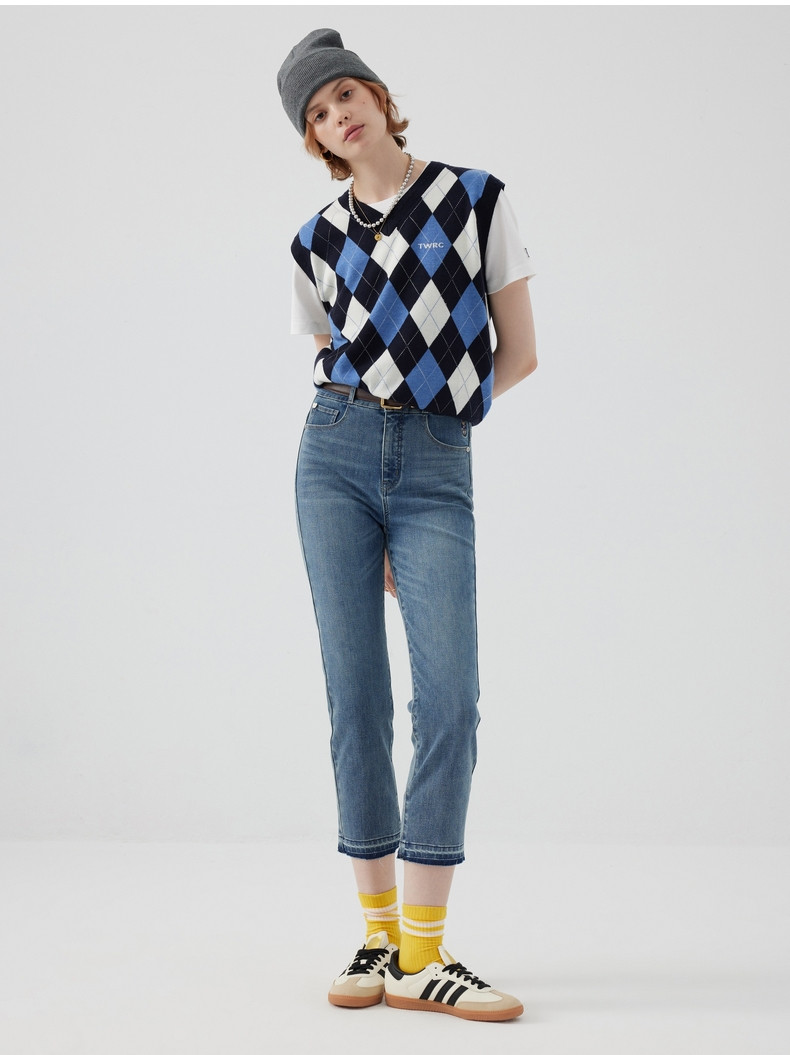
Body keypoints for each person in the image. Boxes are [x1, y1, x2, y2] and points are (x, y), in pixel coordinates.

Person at [277, 28, 537, 1022]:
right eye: (317, 113)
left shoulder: (476, 198)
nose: (337, 116)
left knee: (451, 700)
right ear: (315, 139)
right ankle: (380, 933)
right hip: (332, 456)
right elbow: (329, 353)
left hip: (435, 463)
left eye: (345, 94)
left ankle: (425, 953)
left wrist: (435, 427)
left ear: (380, 98)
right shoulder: (313, 239)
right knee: (356, 701)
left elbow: (518, 353)